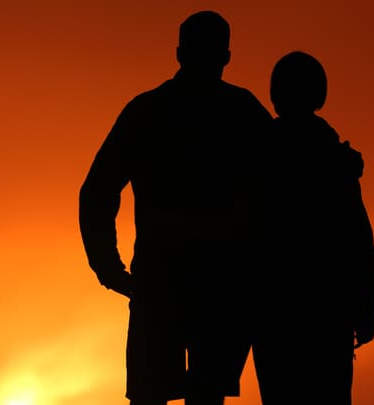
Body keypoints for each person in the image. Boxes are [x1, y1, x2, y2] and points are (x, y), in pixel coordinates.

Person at [78, 10, 273, 405]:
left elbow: (97, 191)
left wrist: (109, 267)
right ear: (227, 56)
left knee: (151, 396)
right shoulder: (243, 112)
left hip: (166, 281)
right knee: (204, 397)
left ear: (179, 52)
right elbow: (287, 188)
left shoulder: (147, 111)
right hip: (218, 285)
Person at [250, 51, 374, 405]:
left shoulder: (255, 157)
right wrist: (365, 310)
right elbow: (359, 241)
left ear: (275, 95)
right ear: (319, 95)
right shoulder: (336, 160)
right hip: (327, 310)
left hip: (273, 311)